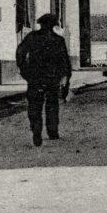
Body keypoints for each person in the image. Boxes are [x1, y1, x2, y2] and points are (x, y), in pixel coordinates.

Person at [16, 13, 72, 147]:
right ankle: (52, 131)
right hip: (52, 78)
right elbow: (65, 61)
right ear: (54, 25)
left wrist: (25, 70)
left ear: (40, 24)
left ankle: (36, 128)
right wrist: (66, 78)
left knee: (34, 104)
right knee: (52, 104)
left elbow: (20, 53)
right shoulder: (58, 40)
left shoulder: (32, 37)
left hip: (35, 77)